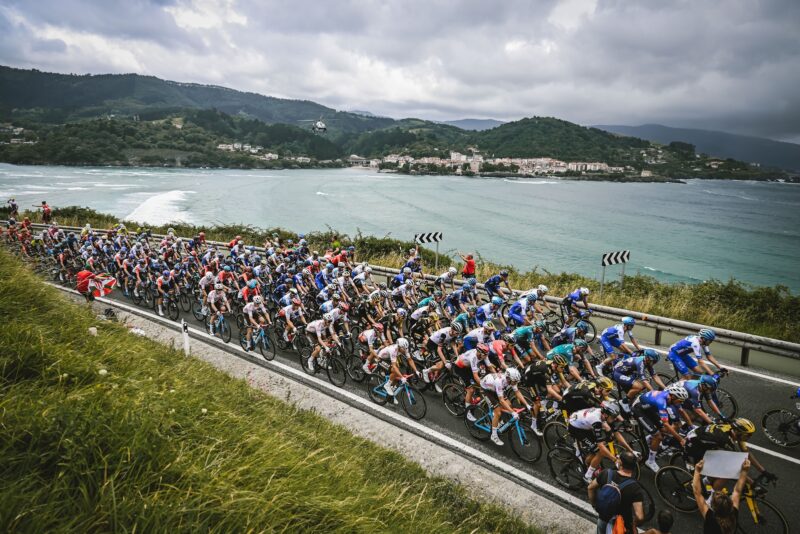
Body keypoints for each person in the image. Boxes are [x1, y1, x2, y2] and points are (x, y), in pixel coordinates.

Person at [587, 451, 644, 534]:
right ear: (634, 466)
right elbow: (640, 516)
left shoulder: (606, 473)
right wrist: (634, 525)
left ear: (620, 463)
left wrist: (594, 504)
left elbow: (590, 487)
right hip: (621, 523)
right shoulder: (635, 487)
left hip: (603, 517)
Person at [693, 458, 749, 534]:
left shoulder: (711, 518)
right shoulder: (733, 515)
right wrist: (744, 471)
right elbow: (737, 491)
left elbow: (697, 492)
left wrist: (697, 471)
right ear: (730, 505)